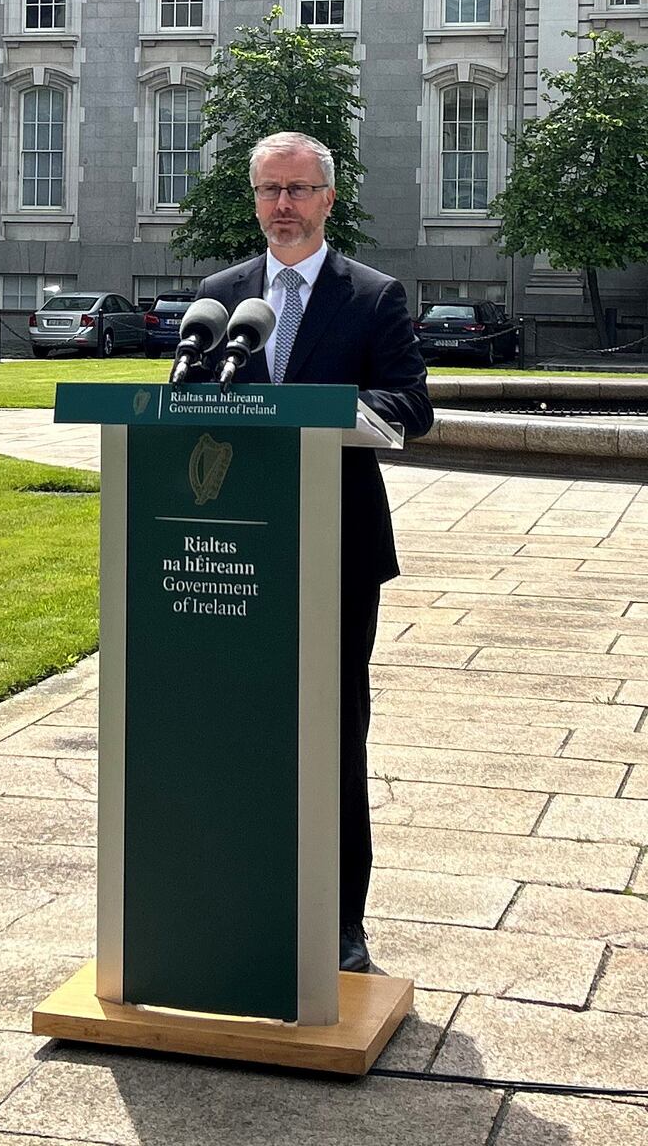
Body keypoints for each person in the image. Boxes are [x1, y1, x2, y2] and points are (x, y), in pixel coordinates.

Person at [194, 131, 433, 972]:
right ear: (254, 199)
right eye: (270, 190)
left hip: (334, 549)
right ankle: (235, 894)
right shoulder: (219, 298)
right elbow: (189, 398)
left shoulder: (371, 295)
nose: (283, 206)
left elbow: (411, 404)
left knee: (332, 731)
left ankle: (340, 919)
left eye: (299, 190)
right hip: (233, 547)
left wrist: (310, 411)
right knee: (234, 725)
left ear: (329, 198)